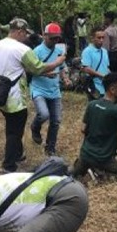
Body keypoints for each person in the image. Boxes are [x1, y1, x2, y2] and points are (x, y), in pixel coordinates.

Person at [0, 18, 65, 173]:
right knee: (14, 131)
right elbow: (38, 68)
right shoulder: (22, 49)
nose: (26, 36)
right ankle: (8, 166)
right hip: (14, 97)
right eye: (25, 33)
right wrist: (57, 62)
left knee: (11, 124)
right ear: (19, 31)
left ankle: (18, 154)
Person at [30, 23, 68, 156]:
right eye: (52, 38)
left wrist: (65, 78)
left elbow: (62, 67)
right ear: (45, 36)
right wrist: (45, 73)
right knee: (44, 114)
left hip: (54, 90)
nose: (55, 41)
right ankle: (35, 127)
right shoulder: (36, 52)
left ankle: (50, 147)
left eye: (57, 38)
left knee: (56, 120)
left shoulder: (59, 51)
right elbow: (31, 71)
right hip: (39, 88)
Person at [80, 27, 110, 100]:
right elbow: (86, 69)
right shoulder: (87, 51)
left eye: (103, 38)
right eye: (99, 38)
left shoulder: (104, 51)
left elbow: (107, 67)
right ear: (92, 38)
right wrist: (101, 75)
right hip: (94, 86)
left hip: (105, 87)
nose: (101, 40)